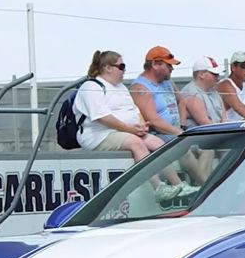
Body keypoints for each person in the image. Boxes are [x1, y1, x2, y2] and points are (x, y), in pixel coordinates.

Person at [72, 50, 194, 201]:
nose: (124, 70)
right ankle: (158, 188)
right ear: (107, 67)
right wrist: (130, 129)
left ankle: (179, 185)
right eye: (121, 66)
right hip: (99, 135)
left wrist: (142, 126)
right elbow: (102, 118)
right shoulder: (91, 87)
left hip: (124, 131)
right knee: (136, 142)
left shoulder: (121, 87)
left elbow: (135, 111)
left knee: (158, 143)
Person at [130, 46, 184, 143]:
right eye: (168, 65)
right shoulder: (140, 88)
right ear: (155, 64)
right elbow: (154, 121)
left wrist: (183, 125)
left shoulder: (168, 81)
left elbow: (181, 101)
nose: (172, 68)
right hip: (159, 134)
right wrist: (182, 134)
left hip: (177, 131)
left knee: (207, 149)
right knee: (190, 151)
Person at [181, 57, 227, 129]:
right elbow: (205, 123)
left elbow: (224, 119)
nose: (218, 77)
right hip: (202, 136)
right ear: (202, 74)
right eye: (214, 74)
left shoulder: (213, 91)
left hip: (216, 133)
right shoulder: (191, 93)